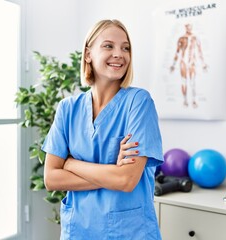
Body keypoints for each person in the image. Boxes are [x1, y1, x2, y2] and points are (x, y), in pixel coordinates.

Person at [42, 19, 164, 240]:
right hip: (78, 231)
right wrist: (111, 172)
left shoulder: (139, 102)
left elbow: (126, 181)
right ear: (88, 54)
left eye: (125, 48)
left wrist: (70, 164)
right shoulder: (68, 108)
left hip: (128, 232)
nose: (119, 53)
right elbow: (51, 178)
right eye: (109, 46)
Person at [170, 23, 208, 108]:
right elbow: (177, 52)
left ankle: (193, 100)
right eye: (187, 26)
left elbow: (199, 51)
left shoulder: (195, 38)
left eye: (190, 26)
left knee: (192, 82)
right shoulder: (181, 38)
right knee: (184, 81)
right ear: (185, 27)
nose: (189, 28)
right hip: (183, 62)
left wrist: (203, 64)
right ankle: (185, 100)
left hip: (192, 62)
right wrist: (173, 64)